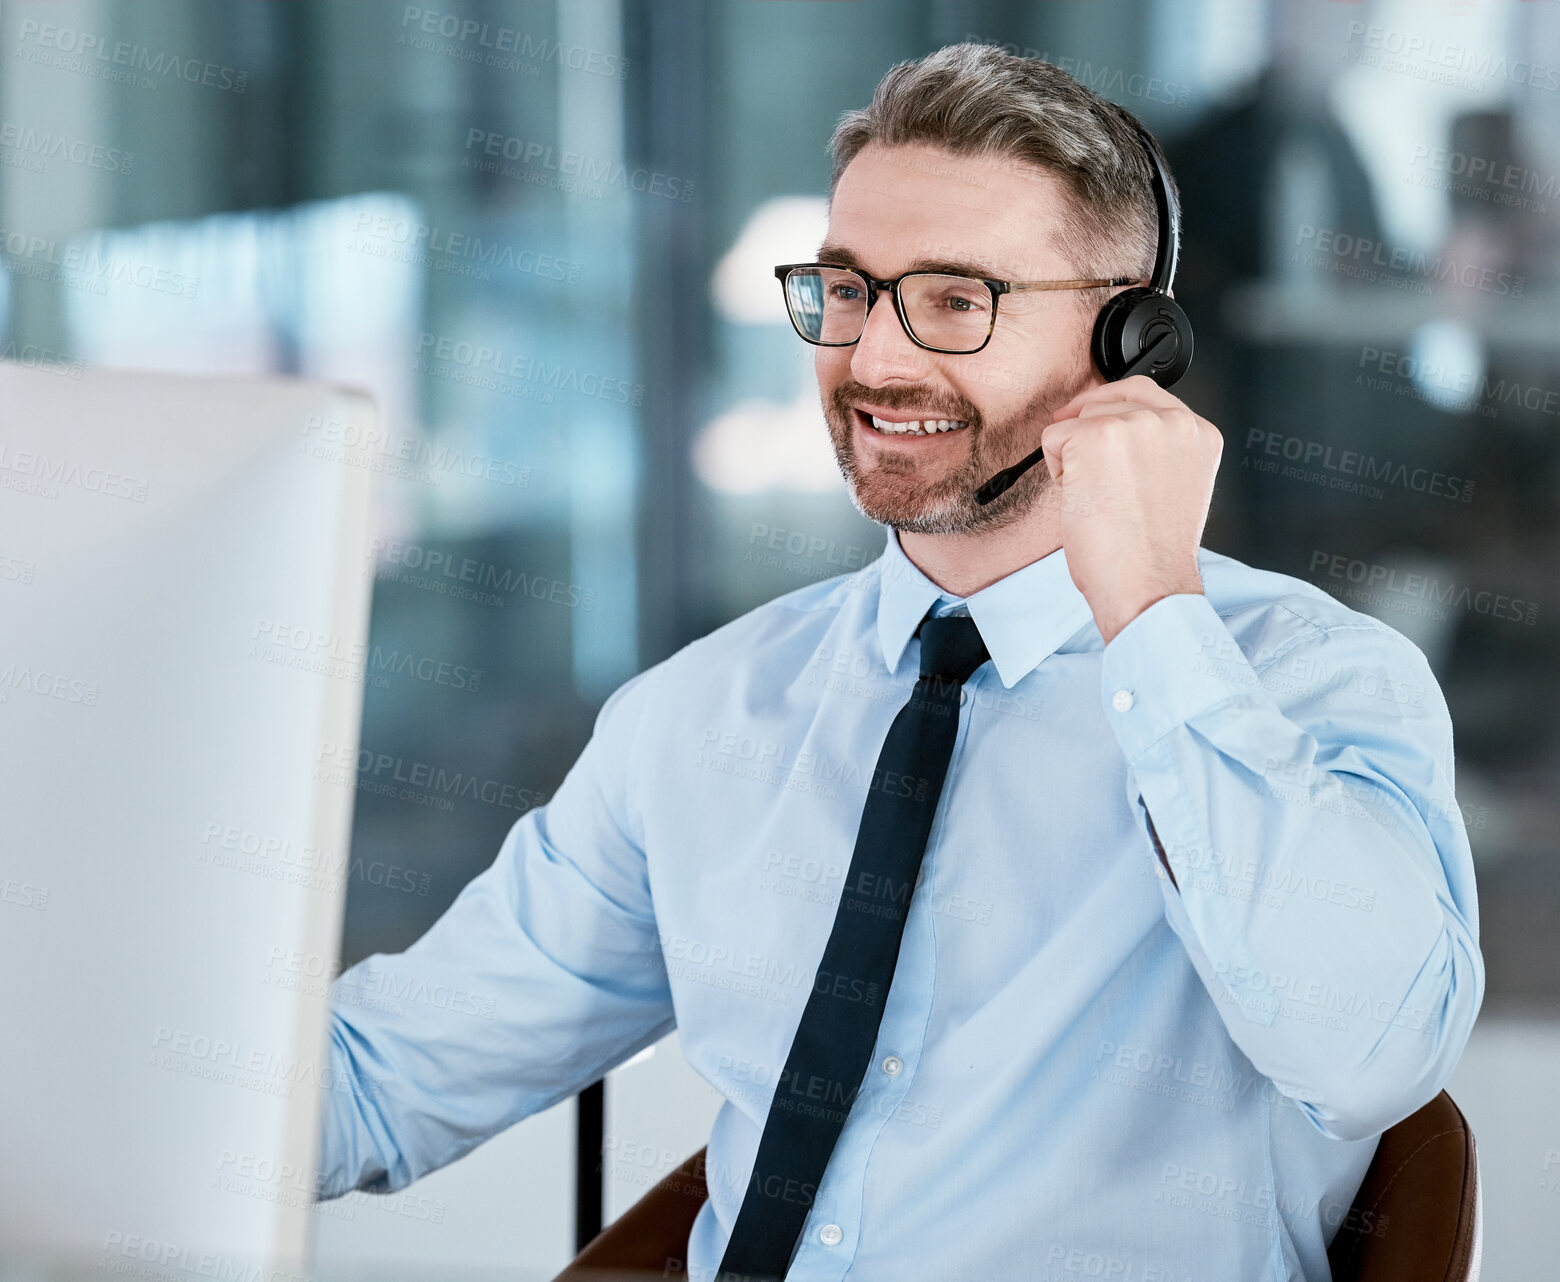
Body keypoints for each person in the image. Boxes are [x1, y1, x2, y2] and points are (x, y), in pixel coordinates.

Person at [315, 43, 1483, 1282]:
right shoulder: (705, 714)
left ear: (1129, 344)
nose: (873, 360)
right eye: (847, 289)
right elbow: (385, 1081)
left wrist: (1150, 605)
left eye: (955, 298)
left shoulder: (1311, 682)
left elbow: (1375, 1058)